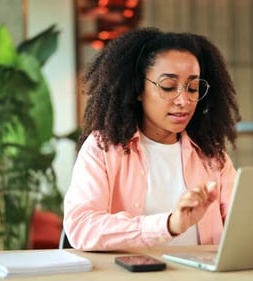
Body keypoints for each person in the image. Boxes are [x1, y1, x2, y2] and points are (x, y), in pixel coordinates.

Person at [63, 27, 241, 251]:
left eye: (193, 88)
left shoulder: (212, 156)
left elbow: (243, 229)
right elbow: (81, 227)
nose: (183, 100)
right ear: (138, 89)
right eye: (168, 87)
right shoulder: (103, 148)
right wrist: (168, 225)